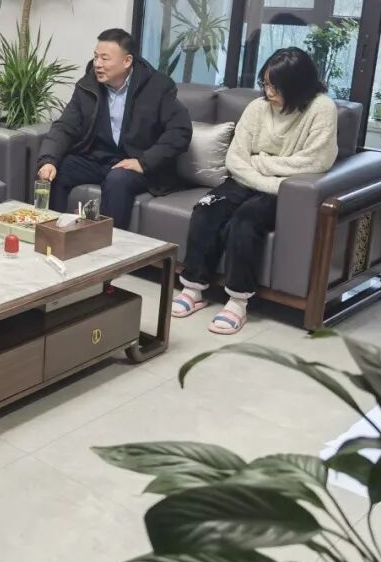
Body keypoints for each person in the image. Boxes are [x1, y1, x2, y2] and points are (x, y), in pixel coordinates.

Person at [171, 48, 338, 334]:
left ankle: (238, 301)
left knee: (244, 222)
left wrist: (263, 164)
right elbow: (235, 158)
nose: (268, 92)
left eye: (276, 86)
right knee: (206, 209)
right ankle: (193, 288)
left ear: (297, 85)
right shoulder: (257, 107)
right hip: (249, 179)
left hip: (283, 189)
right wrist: (260, 172)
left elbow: (316, 160)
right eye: (265, 84)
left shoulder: (321, 108)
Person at [36, 28, 192, 230]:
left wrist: (144, 162)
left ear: (127, 61)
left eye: (105, 58)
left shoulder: (158, 87)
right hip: (99, 159)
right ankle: (51, 233)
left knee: (117, 180)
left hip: (137, 163)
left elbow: (180, 131)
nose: (97, 64)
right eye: (95, 57)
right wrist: (48, 160)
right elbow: (65, 126)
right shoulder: (87, 85)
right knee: (58, 170)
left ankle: (108, 245)